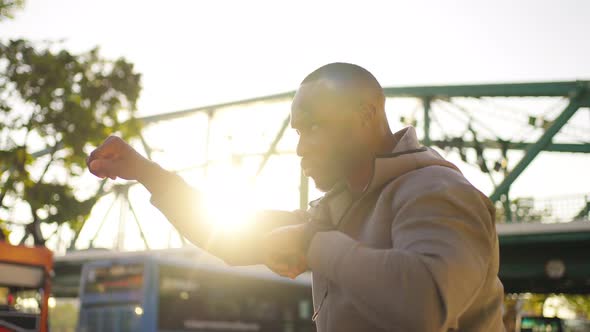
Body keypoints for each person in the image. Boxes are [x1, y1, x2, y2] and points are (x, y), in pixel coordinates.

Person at [87, 63, 505, 331]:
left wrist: (312, 244)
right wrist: (145, 173)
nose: (301, 147)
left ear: (366, 116)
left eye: (315, 127)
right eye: (298, 133)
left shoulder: (436, 190)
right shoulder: (341, 209)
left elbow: (426, 305)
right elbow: (226, 236)